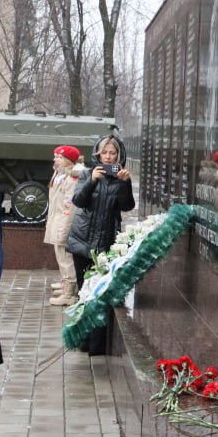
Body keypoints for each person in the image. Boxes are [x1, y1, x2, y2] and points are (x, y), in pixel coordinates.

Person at [67, 134, 136, 356]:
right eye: (104, 153)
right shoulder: (87, 173)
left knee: (100, 294)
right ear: (98, 154)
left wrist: (125, 184)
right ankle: (83, 340)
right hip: (83, 241)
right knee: (84, 293)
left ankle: (97, 346)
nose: (108, 157)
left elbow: (127, 206)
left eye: (112, 153)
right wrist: (92, 181)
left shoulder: (121, 178)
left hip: (105, 244)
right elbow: (78, 201)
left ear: (119, 155)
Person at [44, 145, 83, 306]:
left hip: (64, 222)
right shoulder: (60, 175)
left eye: (59, 157)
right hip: (57, 219)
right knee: (61, 257)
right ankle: (65, 284)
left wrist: (64, 229)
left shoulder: (72, 179)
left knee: (66, 259)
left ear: (68, 161)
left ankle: (70, 293)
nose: (55, 160)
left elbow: (70, 207)